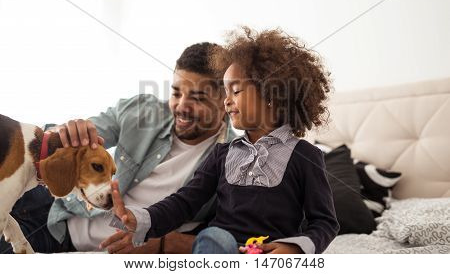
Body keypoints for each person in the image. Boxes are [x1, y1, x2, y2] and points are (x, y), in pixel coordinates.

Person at [100, 27, 340, 254]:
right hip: (221, 247)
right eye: (225, 93)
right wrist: (141, 218)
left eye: (235, 91)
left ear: (271, 94)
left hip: (269, 258)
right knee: (214, 237)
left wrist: (295, 248)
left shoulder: (305, 156)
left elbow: (324, 222)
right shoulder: (222, 153)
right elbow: (184, 202)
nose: (226, 102)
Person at [0, 42, 236, 254]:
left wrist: (165, 243)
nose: (181, 106)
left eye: (197, 98)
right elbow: (74, 139)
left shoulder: (234, 160)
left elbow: (229, 236)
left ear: (225, 100)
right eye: (176, 92)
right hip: (46, 200)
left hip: (53, 235)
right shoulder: (143, 110)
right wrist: (69, 131)